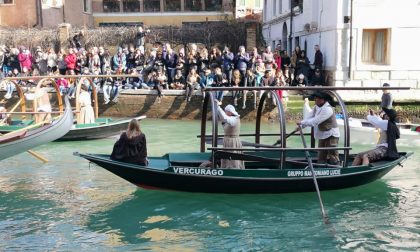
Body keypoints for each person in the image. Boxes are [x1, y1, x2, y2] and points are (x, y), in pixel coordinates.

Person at [299, 91, 340, 165]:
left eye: (316, 100)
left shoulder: (328, 109)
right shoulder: (316, 107)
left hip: (331, 134)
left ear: (322, 100)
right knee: (321, 154)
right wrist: (301, 126)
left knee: (332, 154)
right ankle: (321, 168)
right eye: (315, 100)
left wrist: (302, 123)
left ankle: (336, 167)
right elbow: (309, 117)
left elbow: (315, 121)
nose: (315, 101)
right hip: (323, 134)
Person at [217, 104, 244, 169]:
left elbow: (224, 117)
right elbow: (222, 117)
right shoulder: (229, 118)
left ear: (230, 112)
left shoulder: (234, 119)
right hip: (227, 141)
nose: (225, 112)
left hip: (233, 141)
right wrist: (217, 108)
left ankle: (234, 170)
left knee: (233, 159)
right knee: (227, 159)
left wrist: (218, 107)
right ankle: (226, 169)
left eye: (226, 111)